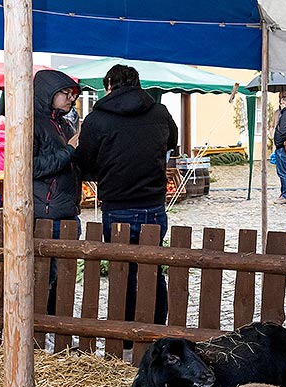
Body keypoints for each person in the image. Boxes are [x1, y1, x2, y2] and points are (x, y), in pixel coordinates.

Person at [75, 64, 178, 328]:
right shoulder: (159, 112)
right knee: (153, 269)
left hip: (117, 205)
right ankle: (156, 327)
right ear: (138, 83)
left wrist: (107, 170)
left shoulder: (97, 119)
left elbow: (84, 162)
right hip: (153, 204)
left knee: (123, 271)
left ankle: (127, 331)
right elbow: (172, 142)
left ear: (109, 85)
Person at [33, 70, 82, 315]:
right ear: (48, 93)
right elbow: (32, 167)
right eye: (65, 93)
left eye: (72, 94)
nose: (71, 98)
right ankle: (44, 330)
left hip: (66, 210)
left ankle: (58, 327)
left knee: (65, 277)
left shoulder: (62, 122)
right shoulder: (33, 123)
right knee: (46, 277)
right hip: (47, 213)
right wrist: (70, 151)